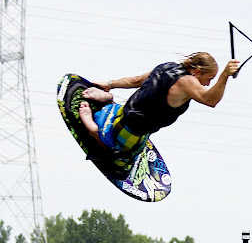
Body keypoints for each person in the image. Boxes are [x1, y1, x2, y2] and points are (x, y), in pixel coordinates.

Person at [77, 52, 239, 168]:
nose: (208, 84)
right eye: (209, 79)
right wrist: (224, 75)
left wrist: (109, 84)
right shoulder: (188, 82)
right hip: (131, 130)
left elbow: (136, 80)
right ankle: (90, 124)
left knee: (125, 118)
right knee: (116, 155)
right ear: (197, 72)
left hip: (123, 113)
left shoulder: (166, 66)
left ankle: (108, 98)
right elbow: (210, 100)